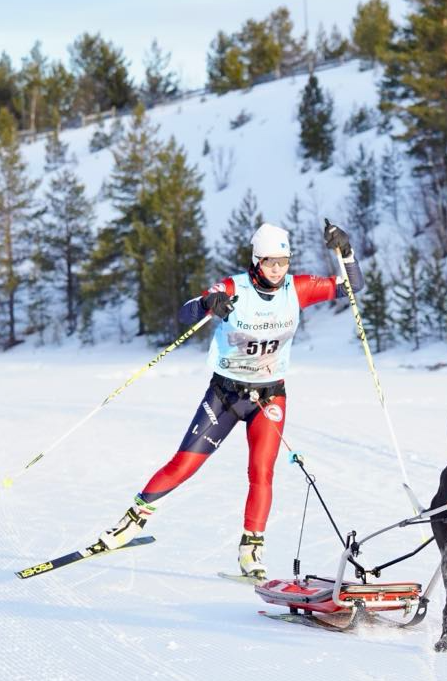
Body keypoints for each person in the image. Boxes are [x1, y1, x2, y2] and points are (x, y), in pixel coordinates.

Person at [98, 219, 364, 580]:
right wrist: (210, 302)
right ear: (256, 260)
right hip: (225, 394)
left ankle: (251, 549)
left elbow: (353, 286)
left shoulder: (297, 289)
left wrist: (345, 252)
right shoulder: (233, 287)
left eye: (282, 262)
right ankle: (132, 521)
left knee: (262, 471)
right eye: (269, 261)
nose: (276, 269)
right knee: (184, 464)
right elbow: (186, 312)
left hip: (269, 396)